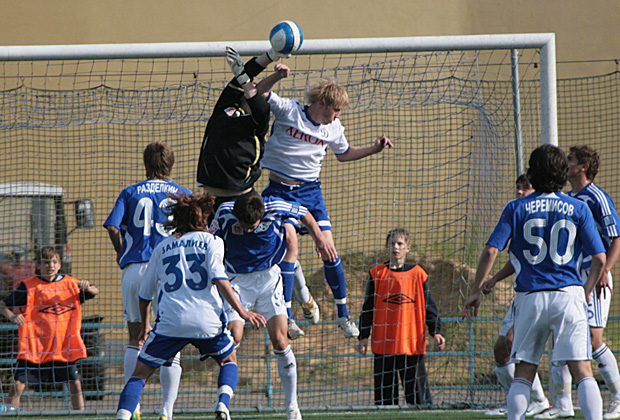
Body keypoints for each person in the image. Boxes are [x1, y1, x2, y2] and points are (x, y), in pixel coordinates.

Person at [463, 144, 607, 420]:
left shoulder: (515, 207)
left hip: (530, 297)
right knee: (583, 371)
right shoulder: (578, 207)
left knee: (524, 371)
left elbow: (491, 251)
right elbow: (600, 259)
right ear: (563, 172)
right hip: (568, 295)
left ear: (532, 172)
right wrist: (586, 291)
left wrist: (475, 291)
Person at [258, 65, 394, 338]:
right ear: (322, 103)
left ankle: (343, 316)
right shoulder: (290, 110)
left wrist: (374, 149)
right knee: (290, 246)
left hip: (310, 193)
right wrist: (276, 75)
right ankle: (288, 317)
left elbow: (343, 153)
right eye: (336, 110)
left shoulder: (333, 127)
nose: (338, 115)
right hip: (279, 191)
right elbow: (259, 91)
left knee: (329, 250)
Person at [196, 46, 318, 340]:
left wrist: (268, 79)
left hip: (242, 199)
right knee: (209, 254)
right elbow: (246, 83)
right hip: (209, 198)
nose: (249, 90)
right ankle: (209, 317)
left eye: (253, 92)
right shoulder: (226, 107)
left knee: (275, 244)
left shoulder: (258, 119)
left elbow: (253, 91)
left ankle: (291, 306)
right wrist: (270, 56)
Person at [116, 192, 266, 420]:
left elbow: (145, 294)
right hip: (207, 322)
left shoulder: (162, 247)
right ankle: (222, 404)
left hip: (171, 322)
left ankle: (123, 415)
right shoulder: (213, 242)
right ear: (203, 219)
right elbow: (219, 277)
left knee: (139, 374)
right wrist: (242, 311)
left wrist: (145, 325)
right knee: (228, 360)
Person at [211, 191, 337, 420]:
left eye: (252, 227)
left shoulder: (276, 207)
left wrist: (320, 239)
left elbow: (305, 213)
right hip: (236, 281)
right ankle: (223, 403)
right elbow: (209, 239)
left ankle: (292, 408)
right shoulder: (224, 211)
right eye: (243, 227)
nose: (247, 231)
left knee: (280, 339)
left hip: (268, 279)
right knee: (234, 337)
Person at [531, 145, 620, 420]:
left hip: (595, 274)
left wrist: (605, 270)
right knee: (563, 337)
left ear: (583, 167)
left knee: (593, 339)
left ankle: (618, 397)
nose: (566, 163)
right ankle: (562, 404)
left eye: (570, 159)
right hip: (571, 277)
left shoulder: (597, 197)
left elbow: (616, 237)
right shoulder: (568, 199)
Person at [104, 141, 191, 420]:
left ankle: (134, 408)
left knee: (135, 337)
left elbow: (112, 226)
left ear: (145, 164)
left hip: (136, 268)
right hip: (169, 270)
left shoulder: (130, 192)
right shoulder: (183, 194)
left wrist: (121, 252)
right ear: (171, 164)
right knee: (172, 340)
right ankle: (167, 411)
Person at [481, 174, 551, 417]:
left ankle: (542, 400)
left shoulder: (546, 214)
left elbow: (491, 250)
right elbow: (517, 259)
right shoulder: (519, 215)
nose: (520, 192)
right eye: (518, 188)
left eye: (526, 187)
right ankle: (514, 400)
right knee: (501, 349)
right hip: (522, 293)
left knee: (514, 343)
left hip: (545, 293)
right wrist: (494, 279)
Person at [0, 246, 99, 410]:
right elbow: (2, 305)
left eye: (54, 262)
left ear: (59, 265)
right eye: (46, 262)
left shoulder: (71, 284)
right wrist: (12, 316)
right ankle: (10, 414)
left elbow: (95, 290)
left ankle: (80, 415)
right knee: (17, 386)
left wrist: (88, 287)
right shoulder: (28, 286)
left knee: (75, 385)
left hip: (62, 348)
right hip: (35, 348)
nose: (50, 265)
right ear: (38, 266)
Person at [357, 228, 446, 406]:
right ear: (387, 247)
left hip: (411, 343)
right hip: (384, 343)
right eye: (392, 244)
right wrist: (363, 336)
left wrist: (435, 331)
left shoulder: (418, 274)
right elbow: (368, 308)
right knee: (385, 402)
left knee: (418, 400)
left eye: (400, 244)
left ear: (408, 248)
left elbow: (429, 306)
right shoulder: (377, 274)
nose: (396, 247)